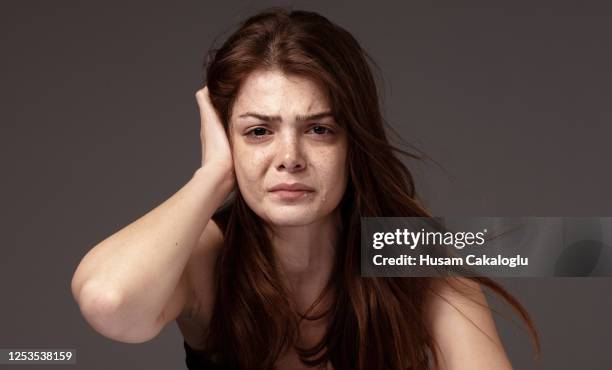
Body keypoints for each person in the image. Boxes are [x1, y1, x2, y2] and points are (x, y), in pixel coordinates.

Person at [71, 7, 540, 370]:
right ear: (225, 140)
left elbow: (571, 250)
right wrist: (212, 177)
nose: (289, 157)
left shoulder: (413, 257)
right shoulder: (208, 256)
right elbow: (109, 302)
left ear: (353, 140)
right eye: (258, 132)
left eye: (318, 130)